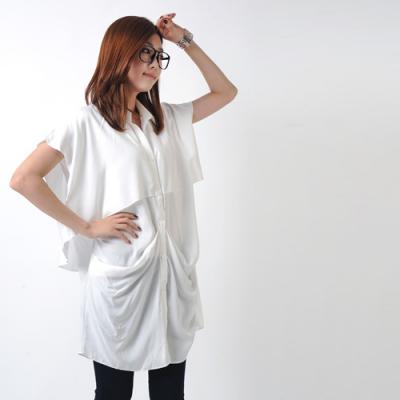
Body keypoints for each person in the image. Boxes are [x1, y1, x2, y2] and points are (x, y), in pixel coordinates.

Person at [9, 12, 237, 400]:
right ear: (119, 53)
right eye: (145, 53)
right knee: (113, 393)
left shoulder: (165, 121)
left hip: (170, 279)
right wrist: (87, 227)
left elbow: (225, 92)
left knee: (170, 394)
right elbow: (24, 179)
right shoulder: (85, 123)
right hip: (121, 281)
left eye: (160, 56)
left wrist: (184, 40)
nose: (154, 64)